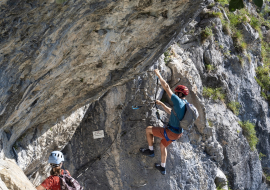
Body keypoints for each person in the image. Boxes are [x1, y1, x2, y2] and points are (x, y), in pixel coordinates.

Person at [140, 69, 189, 175]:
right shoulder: (185, 105)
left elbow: (166, 87)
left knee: (148, 130)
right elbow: (172, 112)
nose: (175, 93)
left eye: (176, 92)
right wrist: (161, 104)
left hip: (171, 132)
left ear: (179, 93)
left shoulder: (178, 101)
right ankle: (162, 167)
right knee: (163, 145)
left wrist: (158, 74)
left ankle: (150, 151)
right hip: (178, 134)